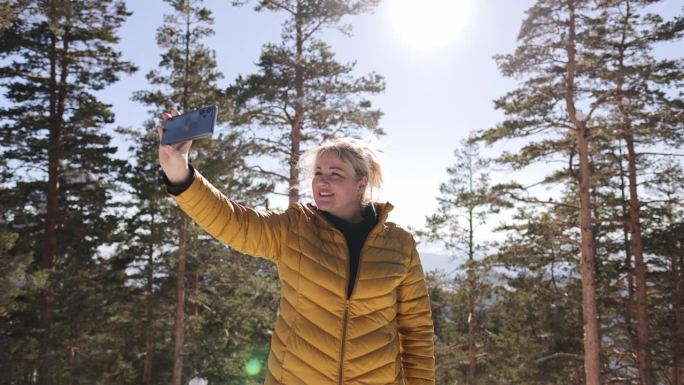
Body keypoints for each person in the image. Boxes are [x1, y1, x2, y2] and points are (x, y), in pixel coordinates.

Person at [157, 110, 435, 385]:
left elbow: (416, 332)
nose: (322, 181)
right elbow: (234, 223)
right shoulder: (295, 228)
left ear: (361, 183)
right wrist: (180, 175)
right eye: (318, 173)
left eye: (335, 174)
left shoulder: (399, 243)